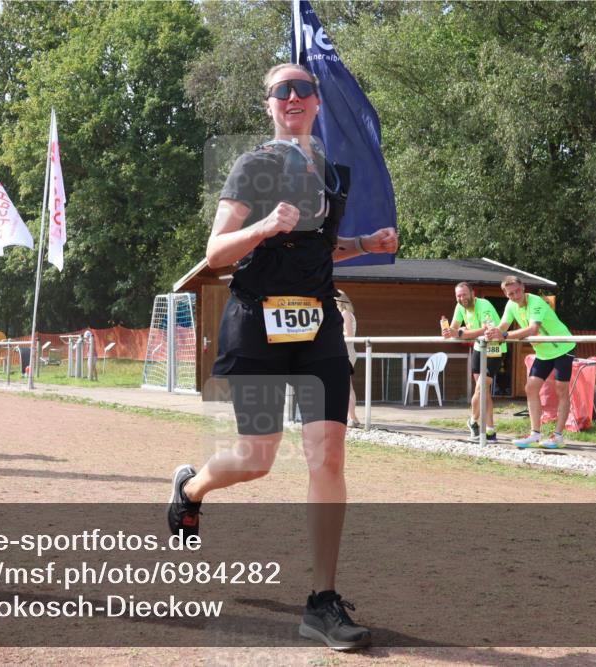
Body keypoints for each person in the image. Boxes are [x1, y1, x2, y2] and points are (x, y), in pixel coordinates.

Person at [167, 63, 398, 651]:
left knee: (328, 455)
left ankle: (322, 600)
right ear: (268, 105)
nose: (294, 97)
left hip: (316, 320)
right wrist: (264, 226)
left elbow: (319, 251)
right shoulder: (254, 167)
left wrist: (364, 246)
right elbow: (217, 253)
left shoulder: (330, 175)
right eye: (281, 90)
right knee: (256, 459)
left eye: (303, 89)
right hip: (257, 322)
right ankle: (192, 489)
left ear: (317, 102)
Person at [485, 275, 576, 449]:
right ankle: (535, 434)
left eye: (517, 291)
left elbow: (533, 329)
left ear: (523, 288)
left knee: (561, 389)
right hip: (543, 351)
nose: (515, 295)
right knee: (531, 388)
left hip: (563, 347)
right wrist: (494, 332)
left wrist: (503, 336)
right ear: (506, 295)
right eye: (511, 293)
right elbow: (504, 324)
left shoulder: (536, 302)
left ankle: (558, 436)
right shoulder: (511, 305)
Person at [442, 282, 506, 442]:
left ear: (472, 293)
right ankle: (490, 431)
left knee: (481, 387)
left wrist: (461, 333)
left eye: (464, 294)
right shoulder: (459, 307)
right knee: (483, 391)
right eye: (458, 295)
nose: (462, 298)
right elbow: (454, 329)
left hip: (494, 348)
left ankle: (472, 421)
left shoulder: (483, 304)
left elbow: (486, 330)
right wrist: (448, 331)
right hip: (479, 348)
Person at [334, 291, 360, 427]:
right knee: (345, 386)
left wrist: (333, 335)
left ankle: (353, 417)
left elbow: (348, 334)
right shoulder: (346, 314)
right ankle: (350, 417)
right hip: (345, 351)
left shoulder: (345, 315)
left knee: (347, 387)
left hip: (347, 351)